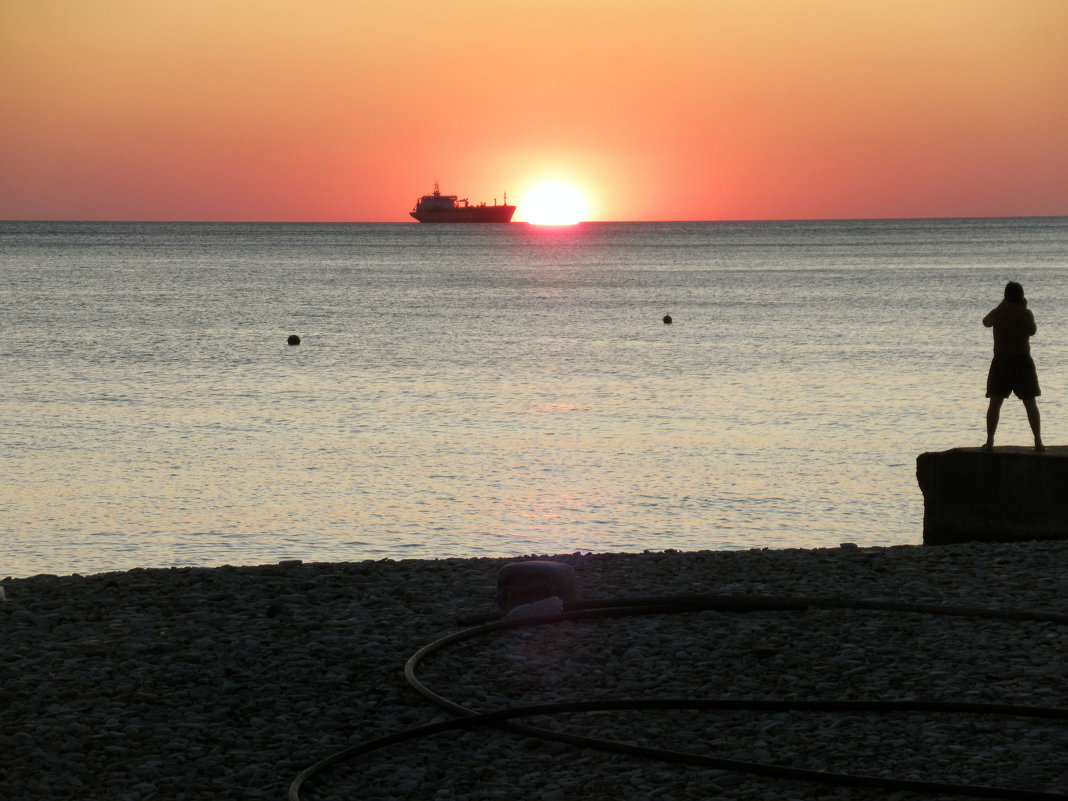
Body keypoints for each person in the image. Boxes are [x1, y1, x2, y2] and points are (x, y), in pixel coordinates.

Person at [981, 281, 1044, 451]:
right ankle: (1038, 442)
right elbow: (1032, 331)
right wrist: (1022, 309)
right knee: (1030, 402)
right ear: (1021, 297)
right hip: (1022, 360)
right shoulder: (1026, 313)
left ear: (1005, 297)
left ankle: (990, 441)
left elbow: (986, 322)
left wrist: (1001, 305)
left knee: (995, 402)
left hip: (1001, 360)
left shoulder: (998, 313)